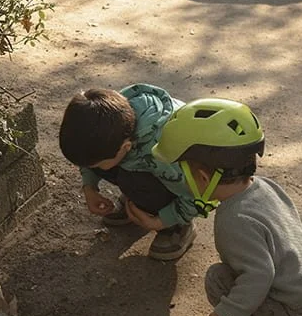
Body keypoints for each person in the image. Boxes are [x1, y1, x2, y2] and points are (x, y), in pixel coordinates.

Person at [152, 98, 302, 316]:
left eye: (182, 171)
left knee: (218, 279)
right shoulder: (264, 187)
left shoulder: (235, 220)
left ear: (201, 176)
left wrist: (228, 315)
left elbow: (259, 275)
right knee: (244, 276)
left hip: (294, 307)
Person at [59, 84, 199, 261]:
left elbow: (196, 194)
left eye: (97, 164)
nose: (92, 167)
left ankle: (178, 226)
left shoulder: (162, 151)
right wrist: (89, 187)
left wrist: (160, 221)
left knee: (132, 180)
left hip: (183, 184)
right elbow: (89, 155)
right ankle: (140, 204)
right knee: (109, 165)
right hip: (139, 159)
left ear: (125, 147)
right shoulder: (113, 117)